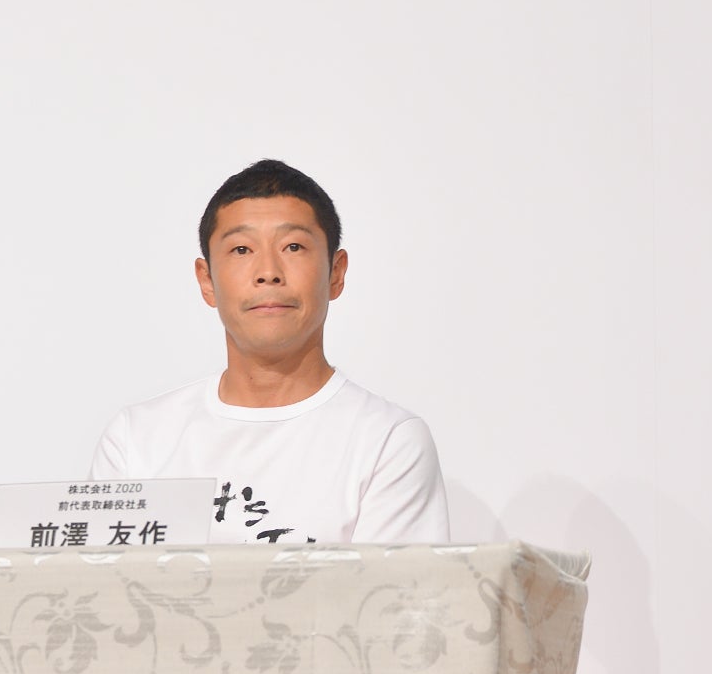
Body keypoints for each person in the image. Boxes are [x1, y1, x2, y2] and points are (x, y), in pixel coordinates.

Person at [88, 159, 450, 544]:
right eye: (242, 249)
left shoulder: (388, 441)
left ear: (336, 272)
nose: (268, 272)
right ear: (207, 281)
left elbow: (391, 585)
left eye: (293, 246)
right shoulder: (136, 440)